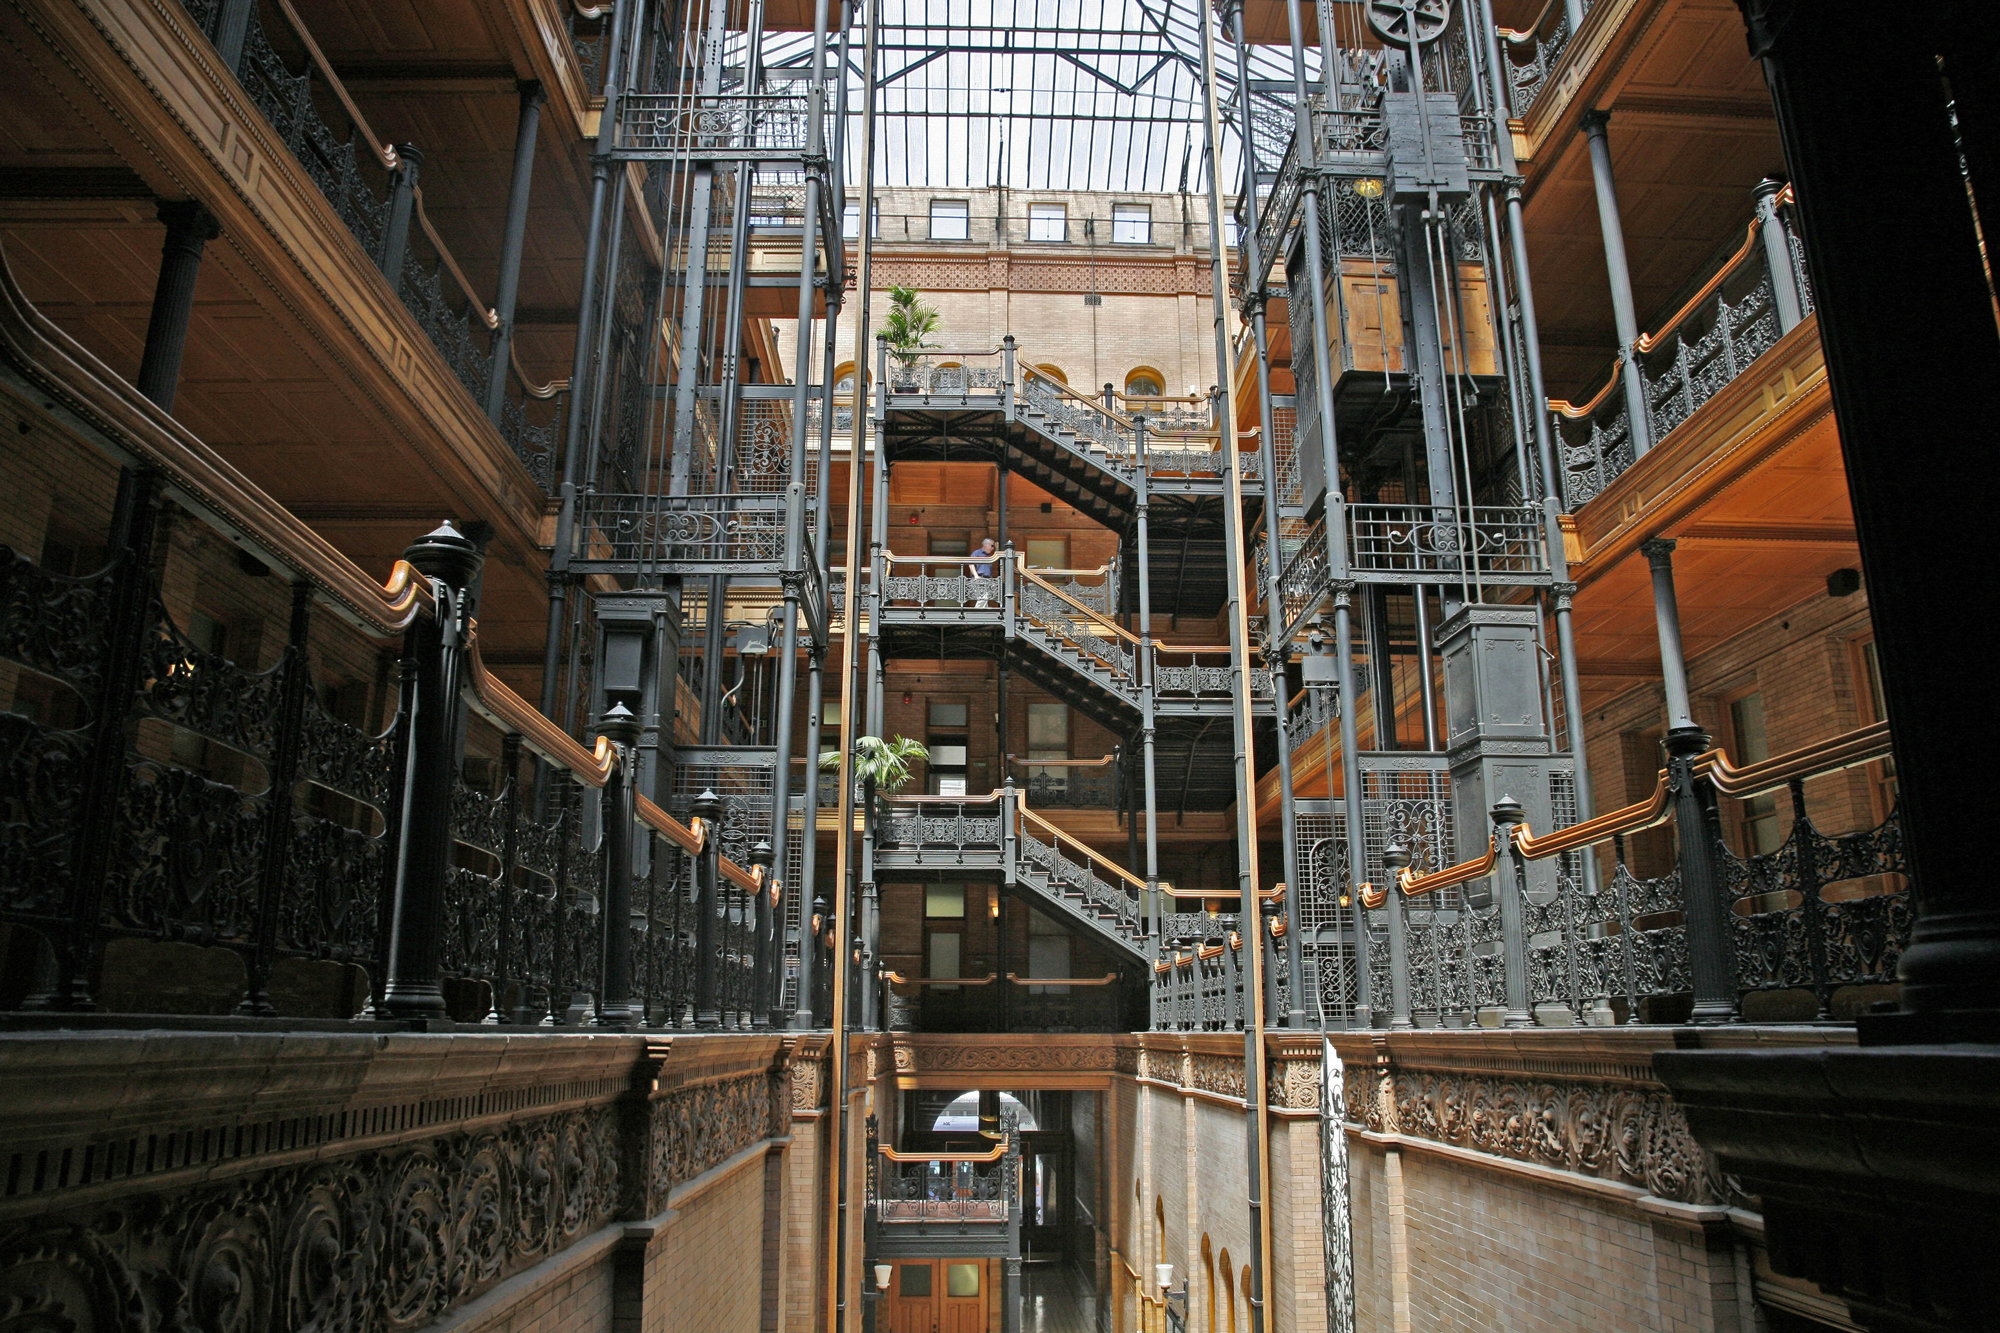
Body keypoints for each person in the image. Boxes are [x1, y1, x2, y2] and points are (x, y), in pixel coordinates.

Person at [966, 537, 999, 605]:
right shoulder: (977, 552)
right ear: (986, 545)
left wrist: (997, 548)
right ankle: (977, 613)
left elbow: (999, 556)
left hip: (988, 579)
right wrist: (976, 576)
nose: (992, 548)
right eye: (992, 546)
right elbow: (971, 563)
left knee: (984, 598)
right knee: (983, 597)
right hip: (979, 578)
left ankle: (984, 613)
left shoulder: (990, 555)